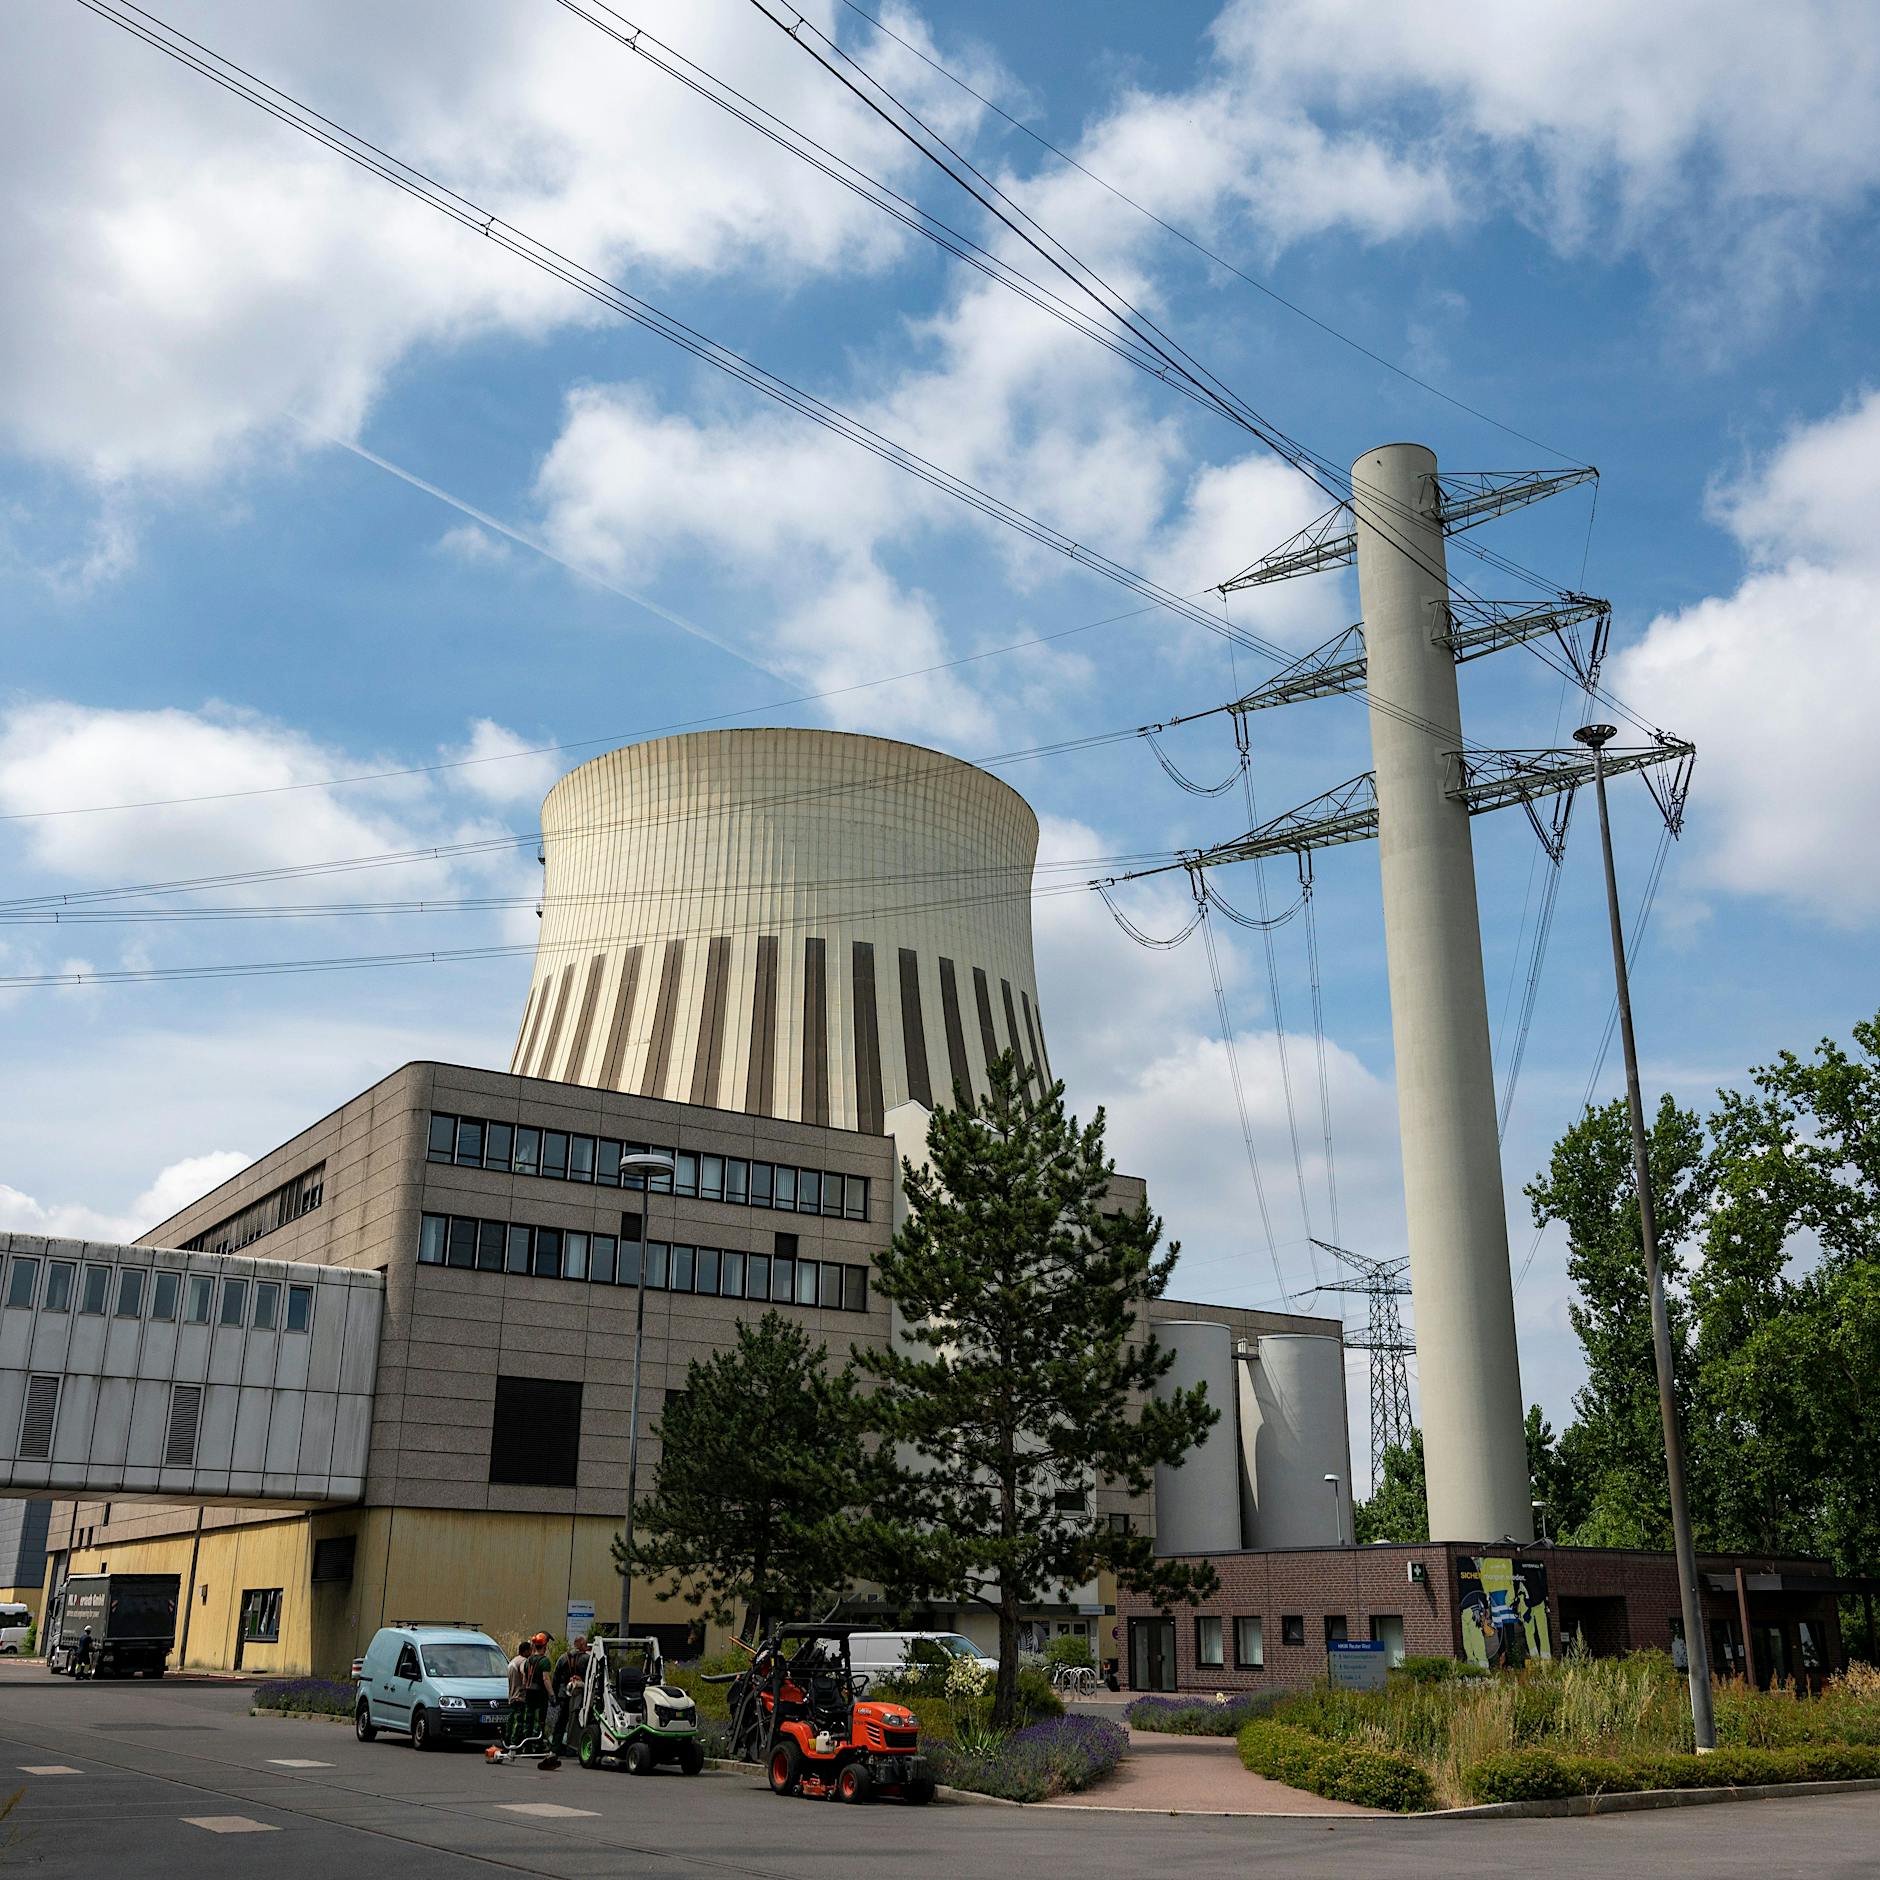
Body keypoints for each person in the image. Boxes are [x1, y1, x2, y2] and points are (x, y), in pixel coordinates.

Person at [538, 1634, 589, 1770]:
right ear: (582, 1644)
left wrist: (553, 1694)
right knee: (578, 1721)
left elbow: (556, 1677)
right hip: (580, 1694)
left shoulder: (563, 1658)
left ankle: (555, 1748)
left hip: (564, 1694)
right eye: (585, 1644)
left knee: (561, 1722)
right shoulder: (587, 1659)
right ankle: (573, 1748)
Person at [518, 1632, 552, 1751]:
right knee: (539, 1719)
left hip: (529, 1692)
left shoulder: (528, 1660)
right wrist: (551, 1694)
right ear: (545, 1646)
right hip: (540, 1694)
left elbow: (525, 1678)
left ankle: (526, 1745)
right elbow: (546, 1679)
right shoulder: (544, 1661)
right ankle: (537, 1744)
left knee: (529, 1718)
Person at [505, 1639, 531, 1745]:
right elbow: (523, 1672)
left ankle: (507, 1741)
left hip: (512, 1696)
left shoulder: (513, 1661)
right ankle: (515, 1744)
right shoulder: (523, 1661)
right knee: (519, 1722)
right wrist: (526, 1684)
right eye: (529, 1650)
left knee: (510, 1721)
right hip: (519, 1696)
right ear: (525, 1651)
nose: (531, 1653)